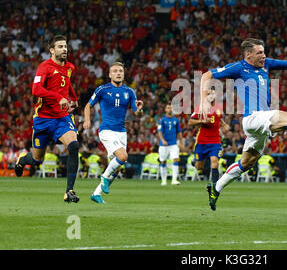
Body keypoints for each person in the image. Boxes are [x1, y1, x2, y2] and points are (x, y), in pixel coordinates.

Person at [199, 37, 287, 211]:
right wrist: (204, 100)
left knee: (247, 162)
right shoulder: (239, 67)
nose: (264, 55)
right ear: (248, 55)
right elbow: (207, 75)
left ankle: (216, 188)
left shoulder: (266, 64)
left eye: (264, 52)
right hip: (253, 118)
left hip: (260, 123)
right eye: (259, 53)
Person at [15, 35, 80, 203]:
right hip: (43, 119)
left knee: (73, 146)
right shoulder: (44, 67)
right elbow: (36, 90)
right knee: (37, 160)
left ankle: (69, 191)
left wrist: (74, 97)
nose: (64, 49)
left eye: (65, 46)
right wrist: (58, 97)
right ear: (52, 50)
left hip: (62, 118)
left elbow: (67, 83)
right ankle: (22, 160)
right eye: (60, 47)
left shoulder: (69, 67)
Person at [83, 61, 144, 204]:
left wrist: (140, 110)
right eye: (115, 71)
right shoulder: (102, 89)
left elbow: (137, 114)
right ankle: (104, 177)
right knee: (122, 157)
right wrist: (87, 120)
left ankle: (96, 194)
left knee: (116, 169)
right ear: (110, 74)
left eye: (120, 71)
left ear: (123, 74)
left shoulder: (130, 92)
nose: (118, 73)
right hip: (106, 130)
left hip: (122, 133)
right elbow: (88, 105)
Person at [188, 88, 230, 183]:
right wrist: (202, 121)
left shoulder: (219, 107)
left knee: (215, 163)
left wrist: (224, 125)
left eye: (213, 94)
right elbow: (190, 122)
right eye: (208, 94)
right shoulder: (200, 107)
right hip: (202, 141)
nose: (211, 96)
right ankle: (195, 162)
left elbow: (219, 119)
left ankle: (215, 186)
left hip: (215, 141)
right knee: (199, 167)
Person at [158, 103, 183, 185]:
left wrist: (181, 142)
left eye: (171, 108)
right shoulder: (162, 120)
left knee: (175, 159)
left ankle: (174, 180)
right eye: (168, 108)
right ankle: (164, 180)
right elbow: (159, 132)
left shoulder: (176, 120)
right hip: (164, 145)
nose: (170, 109)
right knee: (163, 161)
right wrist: (162, 140)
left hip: (173, 144)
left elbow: (179, 132)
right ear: (165, 110)